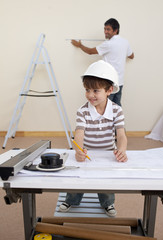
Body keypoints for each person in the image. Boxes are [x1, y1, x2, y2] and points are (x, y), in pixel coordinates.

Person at [59, 60, 128, 217]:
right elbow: (79, 133)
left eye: (96, 91)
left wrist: (122, 150)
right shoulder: (82, 111)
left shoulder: (117, 110)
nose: (90, 95)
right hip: (86, 151)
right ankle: (71, 199)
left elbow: (121, 134)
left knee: (106, 178)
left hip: (107, 152)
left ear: (109, 90)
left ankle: (107, 203)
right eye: (87, 90)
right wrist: (78, 150)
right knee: (78, 176)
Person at [71, 18, 134, 106]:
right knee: (117, 107)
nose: (105, 31)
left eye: (108, 29)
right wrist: (121, 52)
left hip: (109, 82)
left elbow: (90, 52)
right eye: (104, 29)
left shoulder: (108, 44)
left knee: (105, 108)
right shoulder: (125, 42)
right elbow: (131, 56)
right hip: (119, 82)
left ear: (115, 30)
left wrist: (80, 45)